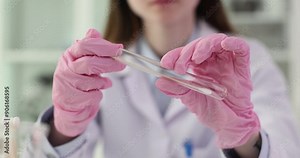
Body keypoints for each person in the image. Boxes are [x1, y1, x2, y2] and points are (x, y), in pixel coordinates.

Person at [24, 0, 300, 157]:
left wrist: (244, 136)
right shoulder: (95, 65)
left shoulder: (248, 58)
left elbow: (287, 149)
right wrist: (64, 128)